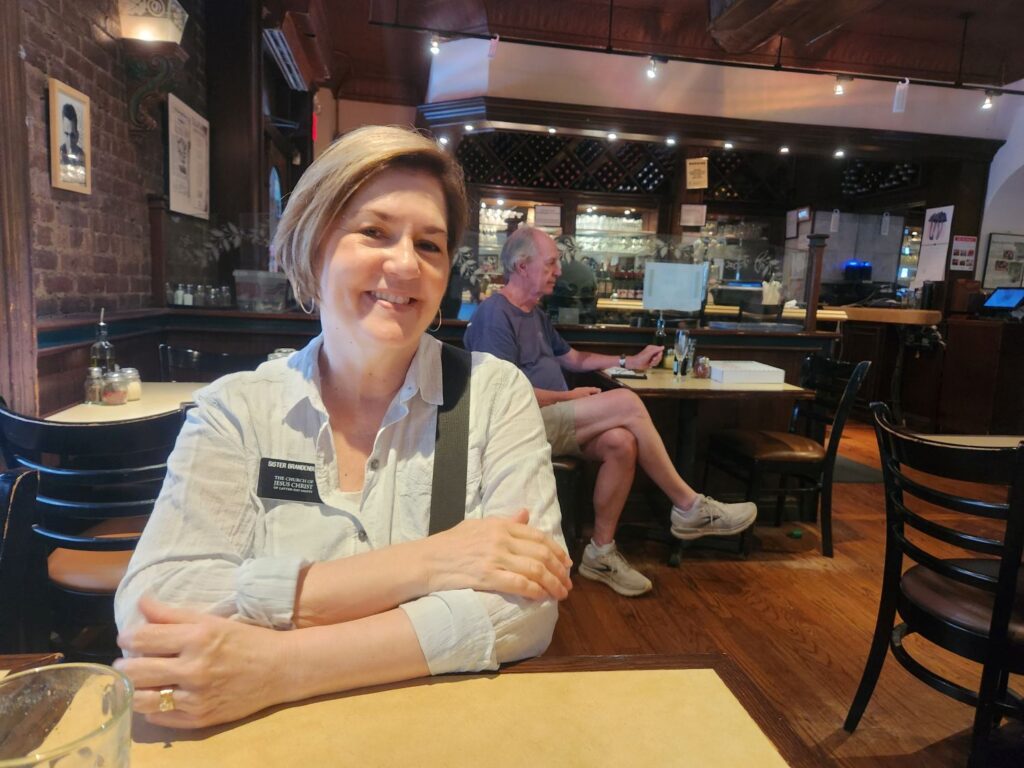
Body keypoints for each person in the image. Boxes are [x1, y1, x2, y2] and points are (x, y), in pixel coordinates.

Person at [113, 126, 572, 729]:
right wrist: (430, 563)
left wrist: (278, 666)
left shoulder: (493, 394)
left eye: (429, 245)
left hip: (435, 732)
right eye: (374, 232)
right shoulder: (238, 410)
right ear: (313, 247)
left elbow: (527, 608)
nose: (405, 263)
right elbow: (156, 608)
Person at [464, 226, 757, 597]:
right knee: (627, 402)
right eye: (551, 263)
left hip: (551, 418)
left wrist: (627, 360)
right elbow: (501, 394)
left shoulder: (534, 315)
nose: (559, 271)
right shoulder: (495, 314)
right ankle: (688, 506)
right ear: (522, 266)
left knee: (621, 442)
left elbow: (573, 357)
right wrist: (567, 398)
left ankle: (600, 554)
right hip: (518, 426)